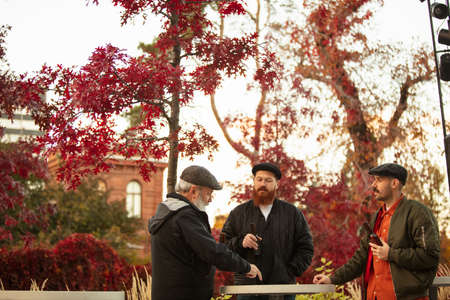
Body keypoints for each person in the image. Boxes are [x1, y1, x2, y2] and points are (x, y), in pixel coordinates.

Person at [313, 163, 440, 300]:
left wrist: (391, 254)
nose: (373, 185)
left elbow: (429, 257)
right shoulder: (377, 218)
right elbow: (360, 258)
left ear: (394, 183)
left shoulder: (417, 212)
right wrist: (332, 279)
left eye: (379, 180)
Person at [148, 165, 262, 300]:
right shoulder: (184, 216)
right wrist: (246, 267)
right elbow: (212, 251)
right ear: (194, 191)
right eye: (209, 193)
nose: (210, 199)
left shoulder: (169, 214)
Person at [220, 162, 314, 300]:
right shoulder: (237, 213)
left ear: (277, 184)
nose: (263, 183)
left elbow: (306, 248)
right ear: (253, 182)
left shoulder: (293, 213)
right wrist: (241, 242)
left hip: (283, 290)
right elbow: (222, 247)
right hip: (247, 290)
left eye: (268, 180)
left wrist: (289, 272)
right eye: (259, 179)